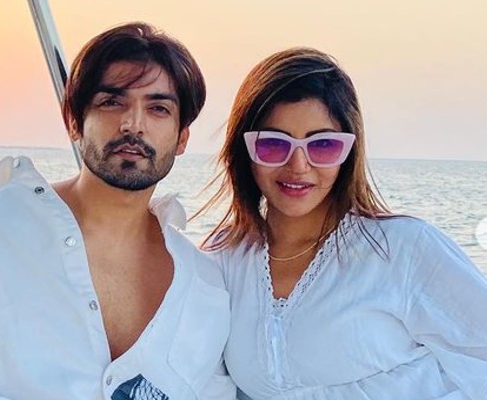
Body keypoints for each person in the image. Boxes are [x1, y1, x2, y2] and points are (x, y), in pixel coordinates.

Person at [0, 22, 236, 400]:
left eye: (158, 108)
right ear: (74, 122)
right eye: (112, 102)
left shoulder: (203, 285)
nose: (133, 124)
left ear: (182, 137)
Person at [201, 47, 487, 399]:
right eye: (273, 144)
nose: (298, 165)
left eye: (323, 145)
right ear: (245, 151)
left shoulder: (403, 249)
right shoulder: (222, 260)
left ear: (348, 152)